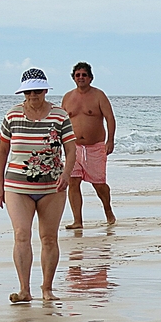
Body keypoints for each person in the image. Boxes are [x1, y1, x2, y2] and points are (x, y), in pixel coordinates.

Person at [0, 68, 77, 304]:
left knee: (49, 237)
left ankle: (47, 289)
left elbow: (71, 149)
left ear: (45, 90)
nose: (33, 95)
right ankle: (24, 290)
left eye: (38, 90)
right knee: (21, 234)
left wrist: (67, 175)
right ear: (23, 92)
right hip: (17, 186)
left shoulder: (59, 115)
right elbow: (2, 151)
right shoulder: (12, 116)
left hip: (53, 186)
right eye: (29, 91)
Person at [60, 62, 116, 229]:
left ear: (90, 77)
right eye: (78, 75)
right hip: (73, 147)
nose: (81, 78)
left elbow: (110, 118)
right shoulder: (67, 97)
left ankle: (108, 211)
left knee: (99, 184)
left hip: (95, 146)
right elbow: (61, 122)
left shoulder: (99, 95)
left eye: (84, 75)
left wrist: (110, 140)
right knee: (73, 182)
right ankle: (78, 221)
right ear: (73, 77)